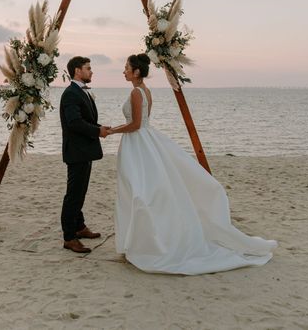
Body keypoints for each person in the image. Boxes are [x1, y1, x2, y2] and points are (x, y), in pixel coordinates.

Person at [106, 53, 278, 274]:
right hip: (143, 143)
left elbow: (136, 124)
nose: (124, 71)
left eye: (126, 67)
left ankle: (145, 244)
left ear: (136, 71)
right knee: (140, 190)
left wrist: (111, 131)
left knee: (139, 191)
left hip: (138, 144)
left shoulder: (136, 93)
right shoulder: (146, 91)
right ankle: (138, 241)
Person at [59, 56, 109, 253]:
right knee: (74, 194)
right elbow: (74, 123)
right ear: (77, 71)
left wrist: (99, 128)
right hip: (77, 151)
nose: (91, 71)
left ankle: (79, 227)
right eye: (88, 68)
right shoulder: (71, 94)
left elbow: (84, 119)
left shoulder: (81, 92)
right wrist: (98, 131)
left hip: (84, 150)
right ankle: (69, 237)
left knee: (81, 191)